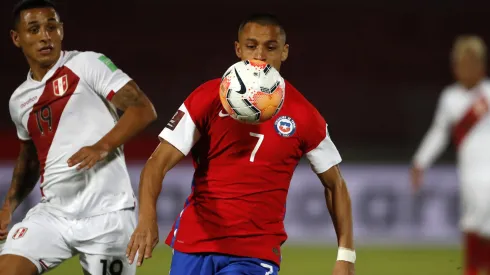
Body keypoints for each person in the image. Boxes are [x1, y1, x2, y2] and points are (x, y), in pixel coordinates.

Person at [126, 13, 355, 275]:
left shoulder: (304, 115)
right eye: (251, 45)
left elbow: (335, 184)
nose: (260, 55)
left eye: (270, 47)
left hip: (254, 253)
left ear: (284, 52)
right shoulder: (207, 97)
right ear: (238, 49)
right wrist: (146, 219)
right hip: (194, 242)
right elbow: (157, 163)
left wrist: (346, 255)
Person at [0, 0, 157, 274]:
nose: (44, 36)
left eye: (51, 27)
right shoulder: (19, 100)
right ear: (17, 38)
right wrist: (9, 206)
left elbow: (143, 109)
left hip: (109, 218)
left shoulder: (86, 63)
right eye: (33, 29)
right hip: (54, 214)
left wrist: (102, 146)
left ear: (61, 30)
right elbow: (30, 159)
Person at [411, 35, 490, 275]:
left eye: (471, 63)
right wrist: (420, 162)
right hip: (469, 175)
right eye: (461, 63)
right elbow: (438, 133)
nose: (465, 69)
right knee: (473, 225)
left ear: (481, 65)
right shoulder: (450, 98)